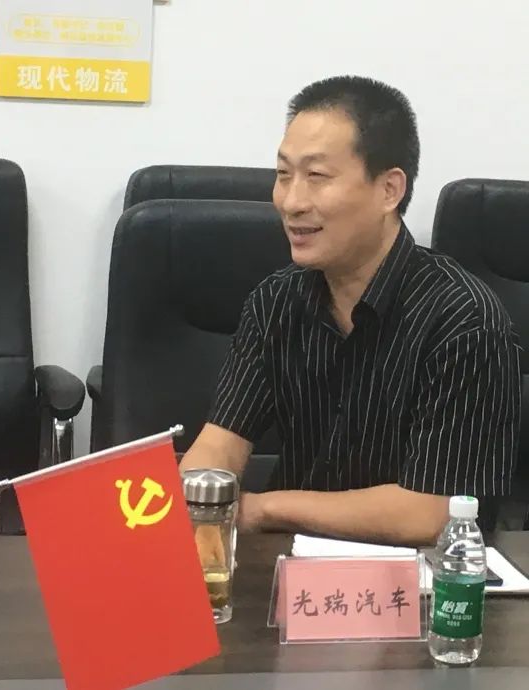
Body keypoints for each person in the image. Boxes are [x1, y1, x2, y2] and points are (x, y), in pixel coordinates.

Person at [179, 75, 521, 546]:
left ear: (389, 190)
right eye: (283, 174)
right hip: (289, 567)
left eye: (317, 177)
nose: (292, 202)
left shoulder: (464, 319)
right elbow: (220, 442)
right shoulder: (276, 301)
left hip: (417, 577)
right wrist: (196, 496)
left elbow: (432, 513)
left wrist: (262, 508)